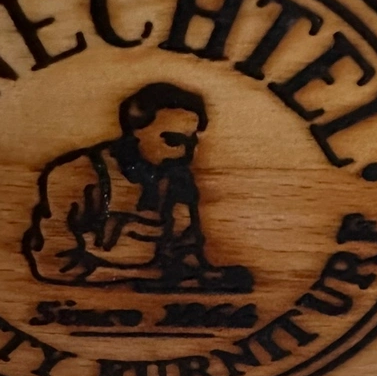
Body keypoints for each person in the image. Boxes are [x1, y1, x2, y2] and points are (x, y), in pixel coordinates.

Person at [22, 82, 254, 292]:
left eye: (191, 141)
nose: (186, 153)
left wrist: (202, 273)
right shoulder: (76, 174)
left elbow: (185, 252)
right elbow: (53, 263)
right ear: (134, 133)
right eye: (172, 140)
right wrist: (142, 275)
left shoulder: (177, 176)